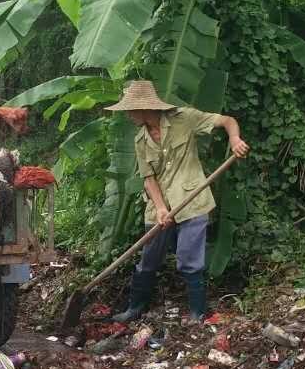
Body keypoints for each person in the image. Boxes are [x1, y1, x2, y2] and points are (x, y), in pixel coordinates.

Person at [107, 80, 250, 324]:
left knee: (189, 259)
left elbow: (227, 121)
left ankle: (197, 313)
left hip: (192, 200)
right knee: (148, 261)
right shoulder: (140, 140)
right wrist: (162, 208)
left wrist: (235, 140)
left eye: (130, 110)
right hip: (159, 205)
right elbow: (148, 179)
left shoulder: (185, 119)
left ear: (144, 108)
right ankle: (135, 309)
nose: (128, 115)